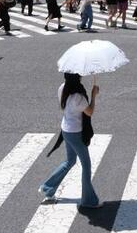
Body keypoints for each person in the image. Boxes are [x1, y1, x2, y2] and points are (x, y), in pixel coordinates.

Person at [38, 73, 101, 208]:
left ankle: (48, 187)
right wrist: (93, 95)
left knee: (70, 161)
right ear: (77, 79)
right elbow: (89, 112)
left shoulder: (62, 88)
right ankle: (89, 200)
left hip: (66, 129)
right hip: (75, 133)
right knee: (86, 165)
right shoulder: (78, 96)